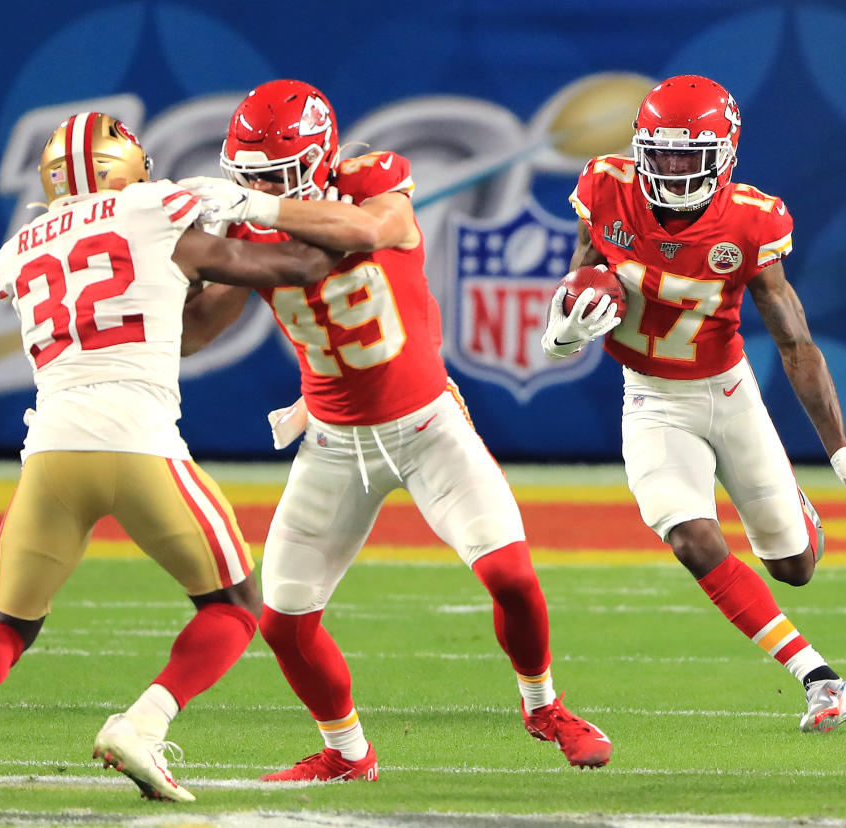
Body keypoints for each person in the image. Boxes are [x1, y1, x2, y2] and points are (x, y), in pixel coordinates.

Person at [178, 79, 612, 782]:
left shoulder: (369, 184)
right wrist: (170, 270)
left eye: (271, 172)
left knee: (511, 576)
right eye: (247, 173)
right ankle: (348, 754)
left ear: (320, 158)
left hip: (425, 424)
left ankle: (544, 706)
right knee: (284, 624)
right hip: (331, 441)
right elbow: (195, 335)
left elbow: (367, 231)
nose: (257, 184)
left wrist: (253, 204)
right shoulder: (246, 223)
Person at [0, 111, 339, 804]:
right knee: (234, 606)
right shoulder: (154, 205)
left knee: (6, 626)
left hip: (49, 452)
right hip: (138, 443)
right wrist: (348, 229)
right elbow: (294, 267)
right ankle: (143, 723)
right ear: (121, 166)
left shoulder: (16, 251)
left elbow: (177, 313)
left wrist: (229, 246)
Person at [541, 74, 846, 732]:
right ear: (641, 149)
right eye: (661, 155)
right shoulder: (606, 189)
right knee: (692, 537)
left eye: (688, 157)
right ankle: (820, 678)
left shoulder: (752, 220)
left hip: (727, 393)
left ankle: (796, 512)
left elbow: (796, 344)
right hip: (650, 399)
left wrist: (841, 451)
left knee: (794, 567)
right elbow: (582, 275)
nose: (671, 172)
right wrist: (562, 332)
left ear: (724, 156)